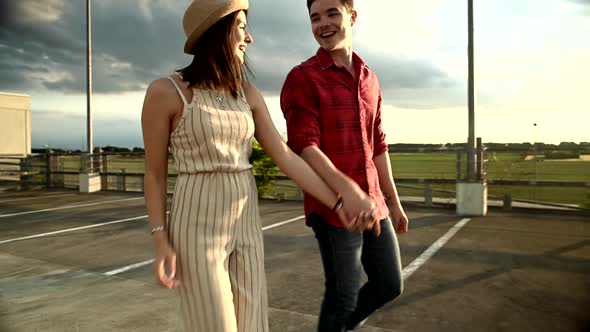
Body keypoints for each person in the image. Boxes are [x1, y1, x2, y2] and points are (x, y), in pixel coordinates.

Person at [141, 0, 377, 331]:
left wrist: (339, 200)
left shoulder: (247, 93)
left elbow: (284, 155)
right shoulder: (166, 92)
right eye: (241, 27)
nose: (249, 38)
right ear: (217, 32)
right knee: (217, 326)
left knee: (253, 324)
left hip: (246, 222)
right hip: (196, 226)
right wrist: (160, 239)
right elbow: (154, 174)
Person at [280, 0, 410, 330]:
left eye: (332, 13)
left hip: (374, 203)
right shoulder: (302, 78)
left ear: (352, 16)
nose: (323, 24)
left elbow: (378, 146)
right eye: (315, 17)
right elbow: (303, 145)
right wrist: (346, 190)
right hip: (333, 207)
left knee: (389, 284)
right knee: (343, 297)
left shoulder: (370, 79)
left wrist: (393, 203)